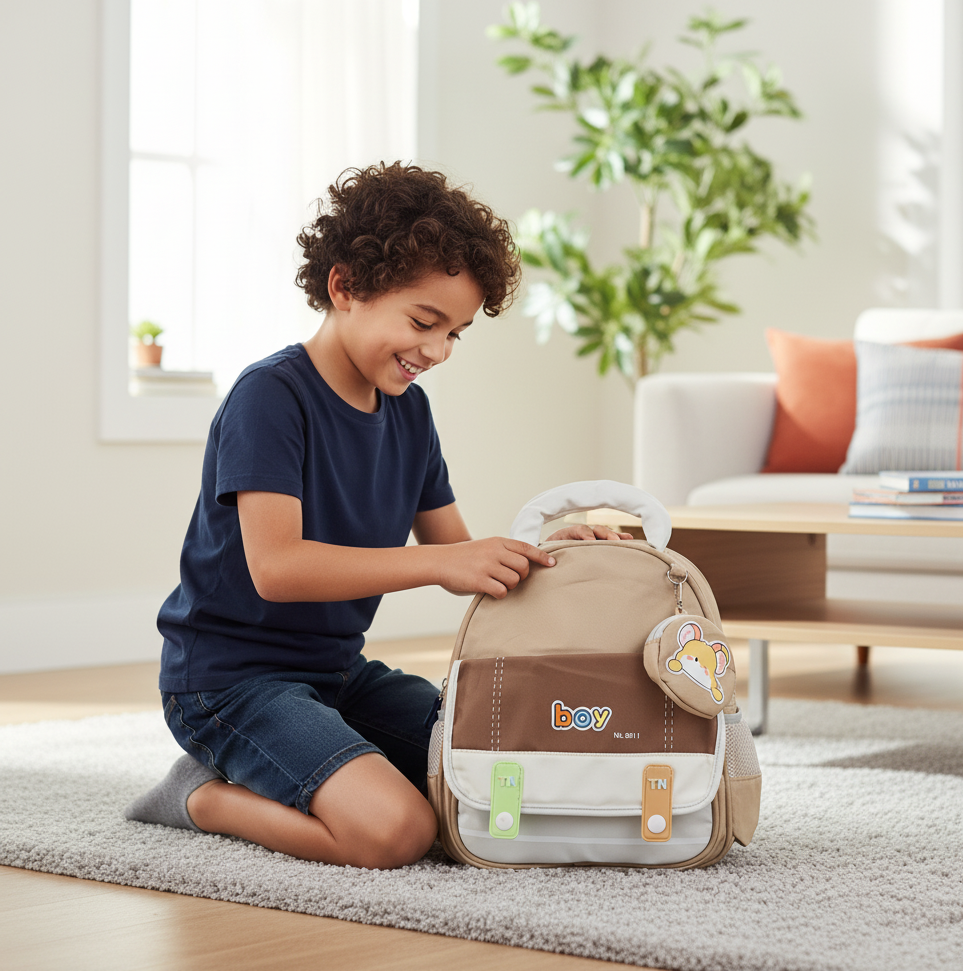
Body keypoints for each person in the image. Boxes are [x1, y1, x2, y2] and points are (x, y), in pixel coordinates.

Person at [125, 162, 629, 869]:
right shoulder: (270, 398)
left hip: (337, 675)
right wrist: (440, 563)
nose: (437, 351)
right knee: (398, 832)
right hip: (228, 683)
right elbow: (277, 568)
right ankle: (201, 797)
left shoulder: (410, 414)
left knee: (502, 760)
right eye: (425, 322)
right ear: (345, 286)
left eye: (455, 333)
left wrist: (550, 550)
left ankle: (326, 760)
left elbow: (460, 555)